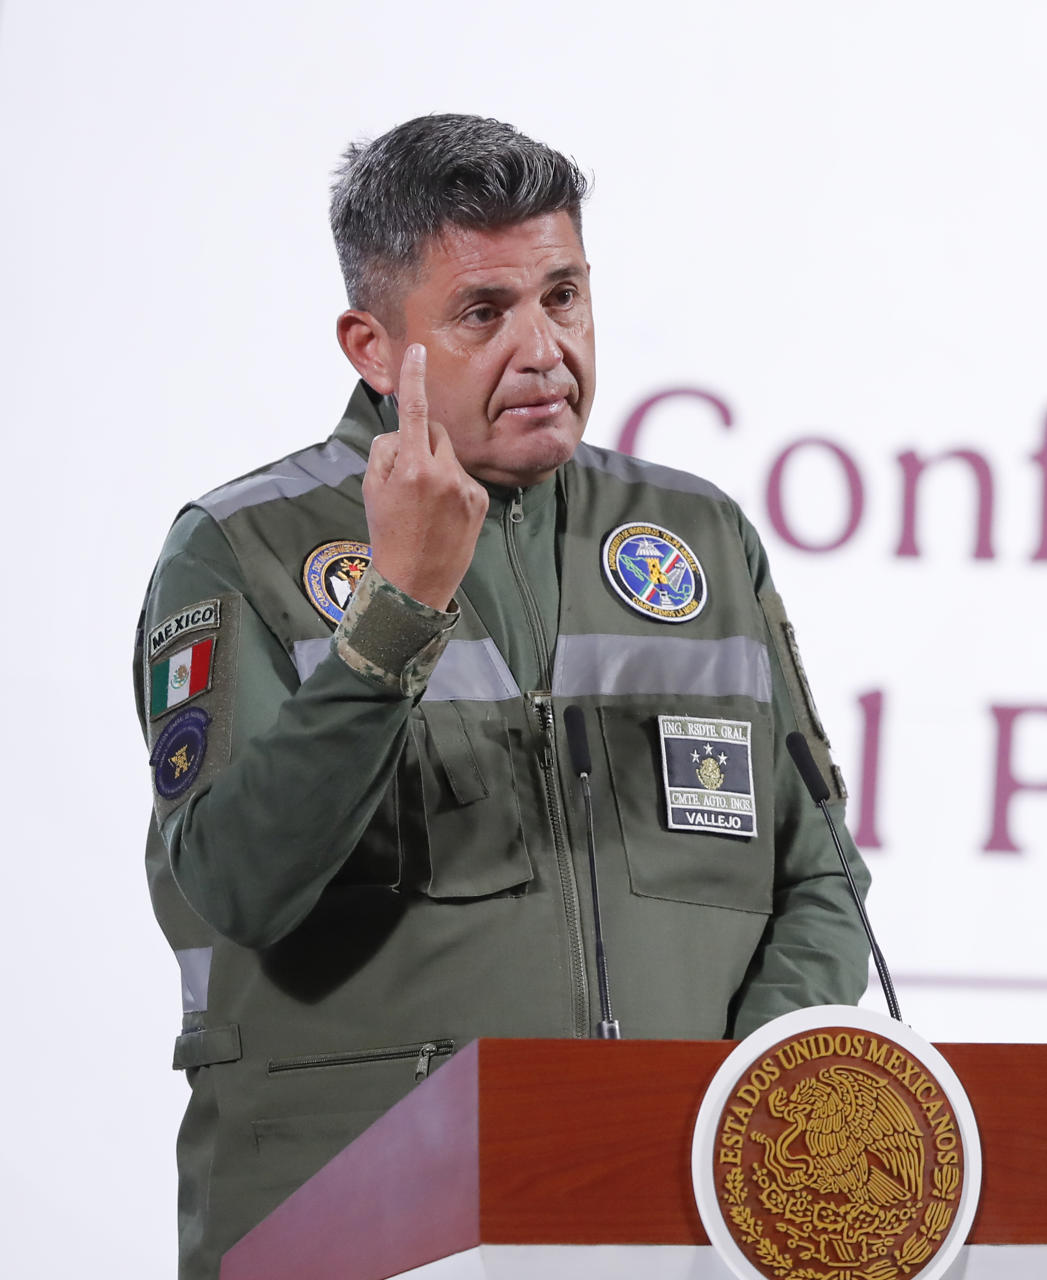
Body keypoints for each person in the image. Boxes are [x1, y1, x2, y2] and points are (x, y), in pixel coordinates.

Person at [133, 114, 871, 1279]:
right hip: (357, 1228)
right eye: (485, 313)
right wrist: (397, 615)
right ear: (373, 346)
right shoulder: (245, 549)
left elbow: (821, 875)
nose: (543, 348)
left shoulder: (698, 537)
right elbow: (234, 882)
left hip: (670, 1228)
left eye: (564, 296)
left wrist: (751, 1107)